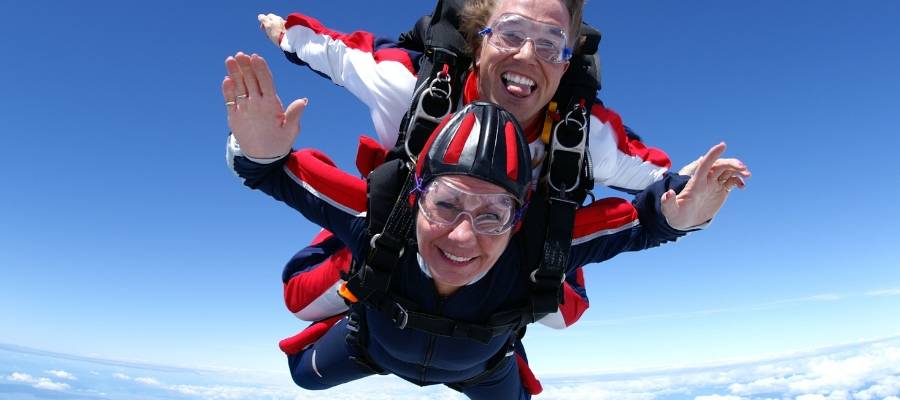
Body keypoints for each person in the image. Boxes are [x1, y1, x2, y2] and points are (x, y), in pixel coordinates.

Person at [222, 52, 748, 398]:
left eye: (493, 214)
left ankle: (554, 273)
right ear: (416, 195)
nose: (462, 235)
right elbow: (276, 176)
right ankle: (351, 263)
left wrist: (680, 215)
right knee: (302, 376)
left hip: (482, 368)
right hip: (374, 344)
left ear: (519, 217)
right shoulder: (382, 218)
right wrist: (256, 151)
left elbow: (639, 224)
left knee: (558, 278)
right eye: (447, 204)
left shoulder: (536, 246)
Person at [256, 0, 748, 331]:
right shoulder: (411, 88)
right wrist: (286, 36)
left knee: (561, 313)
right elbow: (338, 54)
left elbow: (661, 181)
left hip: (515, 250)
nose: (528, 54)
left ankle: (498, 342)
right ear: (478, 40)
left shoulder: (585, 138)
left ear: (566, 61)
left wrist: (689, 204)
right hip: (406, 225)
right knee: (301, 300)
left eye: (551, 43)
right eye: (511, 32)